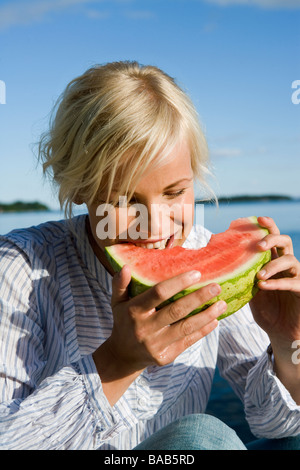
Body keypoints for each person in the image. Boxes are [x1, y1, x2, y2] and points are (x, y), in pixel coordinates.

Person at [0, 61, 300, 450]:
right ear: (77, 187)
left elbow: (275, 424)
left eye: (175, 193)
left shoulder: (205, 260)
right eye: (125, 200)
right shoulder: (18, 267)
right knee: (204, 436)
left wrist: (287, 341)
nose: (156, 226)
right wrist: (115, 364)